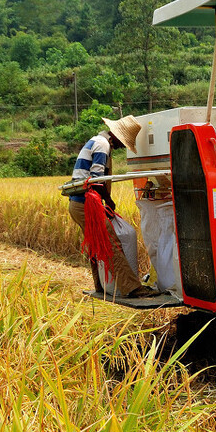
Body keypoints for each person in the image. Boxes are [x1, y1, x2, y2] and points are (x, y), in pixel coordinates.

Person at [68, 114, 148, 298]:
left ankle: (101, 286)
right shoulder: (102, 145)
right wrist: (109, 201)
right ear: (117, 136)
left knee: (96, 244)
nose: (122, 146)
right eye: (123, 142)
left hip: (80, 203)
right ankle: (132, 288)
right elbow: (96, 181)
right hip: (85, 204)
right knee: (110, 244)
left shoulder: (96, 141)